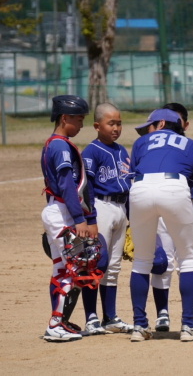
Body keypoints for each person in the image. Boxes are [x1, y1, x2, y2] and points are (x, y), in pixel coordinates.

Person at [128, 108, 193, 342]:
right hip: (174, 187)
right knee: (188, 258)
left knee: (142, 261)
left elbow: (133, 175)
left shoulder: (140, 143)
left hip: (140, 189)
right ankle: (188, 326)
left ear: (161, 124)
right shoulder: (189, 143)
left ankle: (139, 326)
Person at [150, 102, 193, 333]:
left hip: (187, 207)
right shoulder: (151, 147)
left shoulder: (192, 147)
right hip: (158, 208)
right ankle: (162, 314)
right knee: (161, 263)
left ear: (184, 124)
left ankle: (188, 319)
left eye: (176, 121)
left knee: (187, 262)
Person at [41, 95, 100, 342]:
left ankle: (60, 321)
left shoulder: (56, 144)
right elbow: (66, 184)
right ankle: (55, 324)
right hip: (63, 212)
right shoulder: (59, 146)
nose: (82, 125)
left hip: (59, 211)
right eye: (78, 119)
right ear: (64, 118)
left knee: (61, 269)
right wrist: (80, 219)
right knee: (73, 268)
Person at [80, 103, 134, 335]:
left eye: (119, 123)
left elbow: (130, 185)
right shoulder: (91, 151)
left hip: (120, 208)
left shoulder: (122, 151)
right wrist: (90, 216)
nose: (116, 128)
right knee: (95, 263)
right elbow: (85, 187)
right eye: (111, 123)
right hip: (100, 207)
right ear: (96, 126)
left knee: (113, 266)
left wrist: (132, 219)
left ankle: (109, 317)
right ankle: (91, 318)